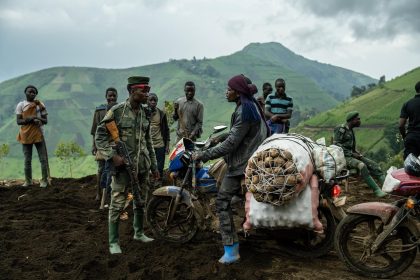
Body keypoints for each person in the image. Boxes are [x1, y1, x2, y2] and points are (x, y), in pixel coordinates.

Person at [192, 75, 269, 264]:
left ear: (238, 92)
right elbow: (238, 132)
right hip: (252, 157)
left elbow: (232, 144)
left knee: (222, 201)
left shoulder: (243, 111)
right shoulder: (250, 106)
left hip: (241, 165)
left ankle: (231, 249)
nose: (226, 92)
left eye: (229, 89)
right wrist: (221, 137)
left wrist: (204, 154)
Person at [95, 76, 160, 254]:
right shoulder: (117, 112)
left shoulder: (145, 113)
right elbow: (100, 136)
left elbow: (148, 142)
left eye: (148, 90)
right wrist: (112, 156)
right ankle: (113, 242)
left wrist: (154, 166)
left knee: (140, 201)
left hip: (142, 166)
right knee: (117, 203)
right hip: (123, 167)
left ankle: (138, 233)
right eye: (143, 90)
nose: (147, 93)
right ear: (132, 91)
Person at [334, 111, 386, 197]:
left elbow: (351, 147)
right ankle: (377, 190)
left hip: (351, 155)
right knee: (362, 166)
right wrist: (352, 154)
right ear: (352, 120)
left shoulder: (350, 130)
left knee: (374, 166)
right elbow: (336, 145)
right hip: (343, 157)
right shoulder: (341, 129)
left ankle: (387, 188)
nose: (359, 121)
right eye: (357, 119)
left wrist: (357, 153)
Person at [16, 85, 49, 188]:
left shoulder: (40, 105)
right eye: (30, 92)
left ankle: (44, 181)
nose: (32, 94)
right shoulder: (21, 105)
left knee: (43, 159)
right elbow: (19, 121)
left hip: (38, 134)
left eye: (34, 92)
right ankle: (28, 181)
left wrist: (38, 120)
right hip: (25, 135)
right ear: (25, 92)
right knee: (27, 159)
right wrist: (31, 118)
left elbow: (46, 120)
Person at [91, 87, 118, 201]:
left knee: (115, 170)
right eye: (109, 96)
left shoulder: (119, 109)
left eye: (113, 95)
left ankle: (112, 194)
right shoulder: (99, 111)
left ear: (117, 96)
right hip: (102, 144)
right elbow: (94, 130)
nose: (111, 97)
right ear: (106, 96)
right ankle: (99, 193)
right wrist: (94, 145)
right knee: (101, 169)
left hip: (115, 144)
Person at [147, 93, 170, 180]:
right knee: (147, 166)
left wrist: (167, 145)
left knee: (159, 167)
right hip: (147, 145)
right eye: (151, 100)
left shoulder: (161, 114)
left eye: (155, 100)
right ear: (147, 101)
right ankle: (148, 184)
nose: (153, 102)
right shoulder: (143, 113)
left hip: (160, 144)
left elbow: (166, 130)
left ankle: (158, 183)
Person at [399, 81, 420, 159]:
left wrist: (405, 137)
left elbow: (401, 125)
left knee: (410, 166)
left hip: (412, 138)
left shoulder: (407, 104)